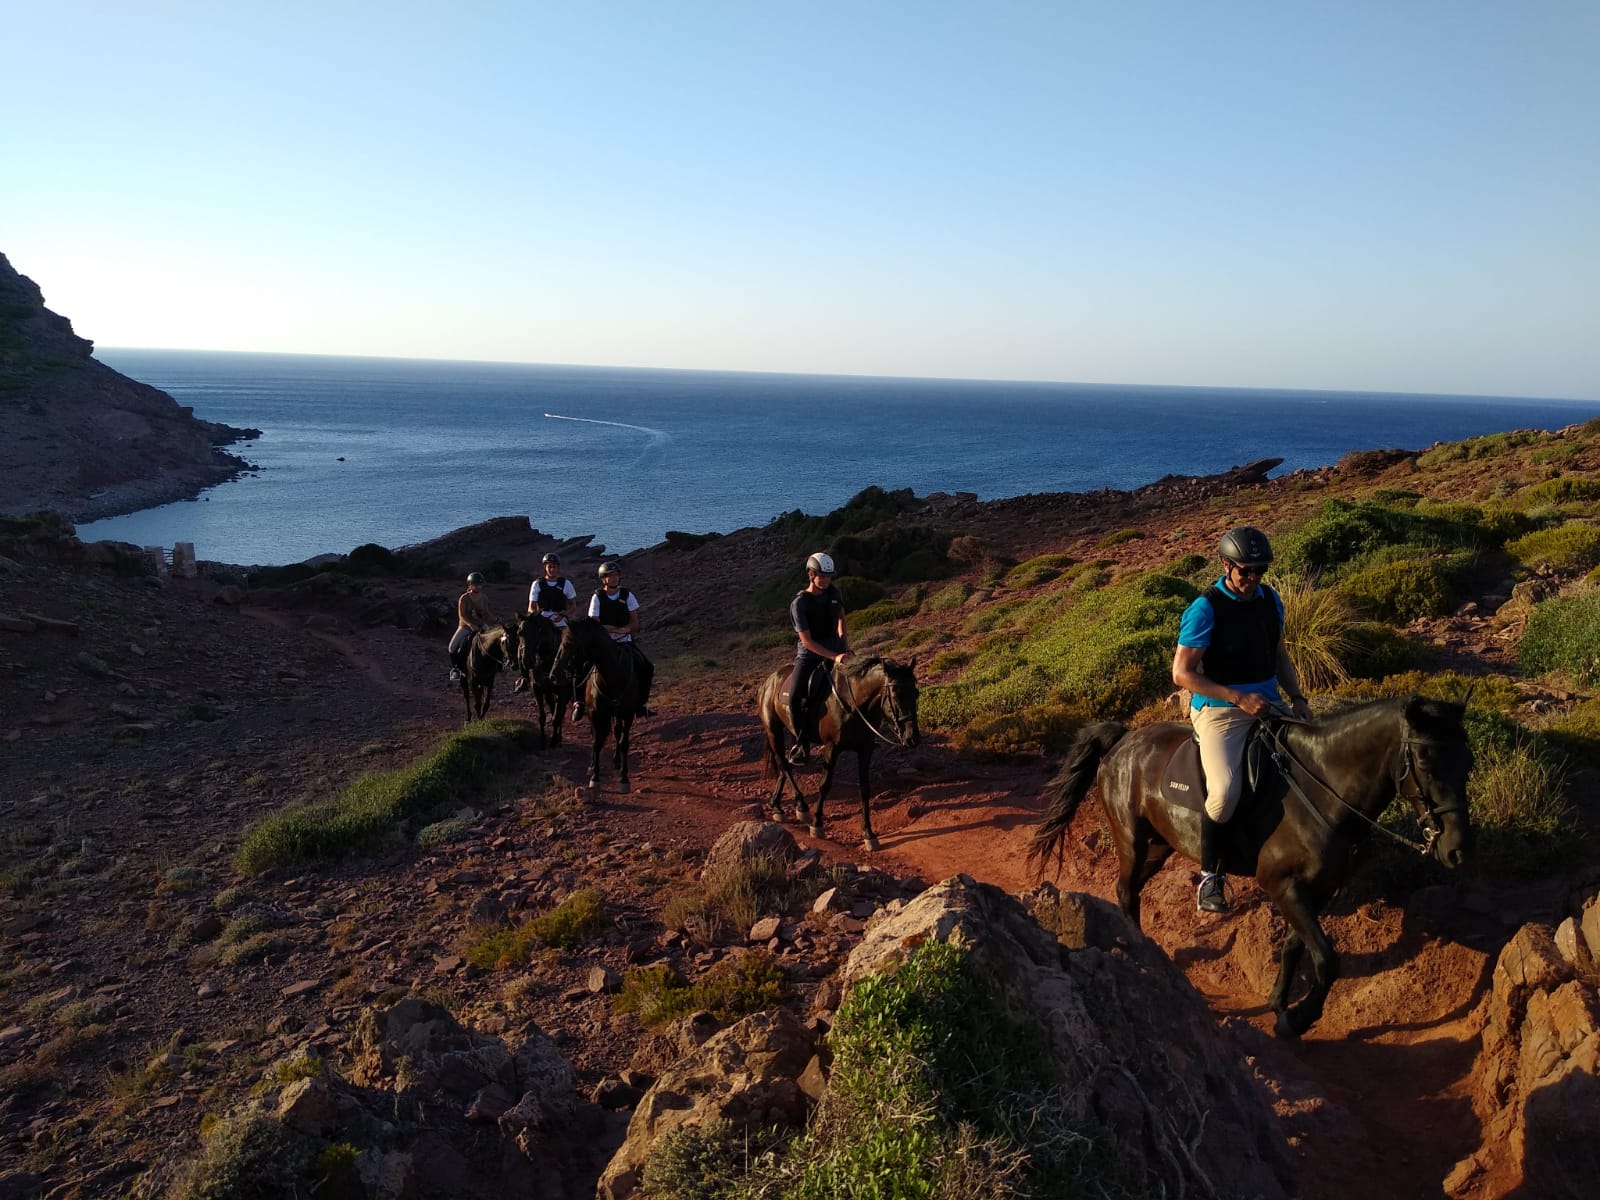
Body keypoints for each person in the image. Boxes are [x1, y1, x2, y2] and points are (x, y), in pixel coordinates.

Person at [1172, 526, 1312, 915]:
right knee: (1225, 791)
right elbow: (1182, 674)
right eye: (1245, 571)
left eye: (1259, 571)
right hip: (1220, 711)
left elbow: (1278, 655)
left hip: (1268, 701)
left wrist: (1297, 698)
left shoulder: (1270, 600)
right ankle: (1210, 876)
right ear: (1226, 566)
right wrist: (1236, 696)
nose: (1253, 579)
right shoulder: (1206, 609)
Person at [786, 551, 851, 764]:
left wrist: (844, 647)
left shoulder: (834, 593)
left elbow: (841, 619)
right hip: (809, 656)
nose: (825, 580)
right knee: (795, 696)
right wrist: (835, 656)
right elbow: (807, 641)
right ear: (811, 575)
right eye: (821, 576)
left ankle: (860, 735)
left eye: (828, 576)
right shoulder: (800, 604)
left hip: (836, 650)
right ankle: (801, 743)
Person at [582, 560, 654, 718]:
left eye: (616, 575)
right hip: (603, 643)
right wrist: (613, 629)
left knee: (646, 666)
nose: (615, 578)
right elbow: (595, 622)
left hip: (624, 641)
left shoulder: (627, 595)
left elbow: (635, 622)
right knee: (582, 665)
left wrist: (626, 629)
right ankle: (580, 703)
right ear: (603, 579)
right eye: (610, 576)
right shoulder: (598, 597)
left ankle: (642, 703)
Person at [449, 571, 496, 684]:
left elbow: (485, 612)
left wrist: (495, 619)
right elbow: (462, 615)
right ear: (470, 585)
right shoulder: (464, 598)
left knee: (495, 641)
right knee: (452, 647)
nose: (478, 587)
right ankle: (456, 669)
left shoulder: (484, 597)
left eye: (480, 584)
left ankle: (497, 666)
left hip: (480, 625)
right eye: (476, 584)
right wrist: (471, 625)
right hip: (465, 626)